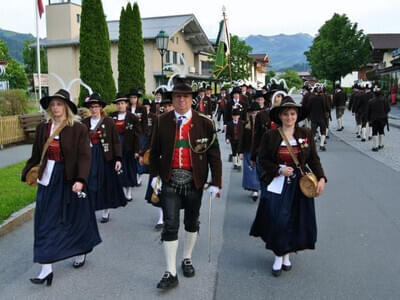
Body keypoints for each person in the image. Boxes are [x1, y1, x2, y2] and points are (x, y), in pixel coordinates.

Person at [22, 89, 101, 286]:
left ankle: (81, 249)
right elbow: (36, 154)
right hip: (48, 177)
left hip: (69, 178)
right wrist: (27, 172)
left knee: (76, 218)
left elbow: (85, 156)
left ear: (66, 107)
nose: (55, 108)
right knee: (44, 220)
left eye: (59, 104)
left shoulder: (78, 129)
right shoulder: (43, 128)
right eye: (53, 105)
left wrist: (81, 179)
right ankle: (46, 268)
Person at [150, 79, 222, 290]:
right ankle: (170, 271)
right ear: (172, 99)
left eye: (186, 97)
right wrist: (154, 175)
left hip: (195, 179)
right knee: (171, 224)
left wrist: (216, 182)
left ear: (192, 99)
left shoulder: (206, 123)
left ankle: (187, 257)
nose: (181, 101)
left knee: (192, 221)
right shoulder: (161, 120)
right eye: (177, 97)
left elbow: (214, 154)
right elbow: (154, 151)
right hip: (170, 179)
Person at [250, 96, 327, 277]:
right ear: (280, 116)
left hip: (300, 184)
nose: (289, 117)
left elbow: (313, 159)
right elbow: (263, 159)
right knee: (278, 219)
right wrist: (278, 169)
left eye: (292, 114)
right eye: (286, 114)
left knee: (296, 219)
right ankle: (278, 254)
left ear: (297, 115)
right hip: (278, 183)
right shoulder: (271, 136)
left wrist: (322, 178)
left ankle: (287, 254)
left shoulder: (306, 134)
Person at [82, 93, 126, 223]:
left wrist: (118, 158)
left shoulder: (108, 122)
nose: (94, 109)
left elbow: (116, 141)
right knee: (89, 183)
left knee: (104, 183)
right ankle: (90, 209)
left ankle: (105, 211)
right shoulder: (84, 123)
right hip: (89, 156)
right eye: (92, 107)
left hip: (104, 157)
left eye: (96, 106)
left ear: (101, 108)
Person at [109, 93, 141, 201]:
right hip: (115, 146)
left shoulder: (132, 117)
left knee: (128, 169)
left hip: (128, 147)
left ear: (126, 104)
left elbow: (137, 135)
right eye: (118, 104)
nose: (120, 106)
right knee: (117, 169)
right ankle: (119, 191)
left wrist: (137, 150)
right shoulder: (111, 116)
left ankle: (129, 191)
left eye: (122, 103)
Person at [239, 102, 261, 200]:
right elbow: (241, 138)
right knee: (249, 170)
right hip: (248, 150)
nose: (255, 114)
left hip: (259, 151)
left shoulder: (263, 124)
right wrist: (240, 152)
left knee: (258, 170)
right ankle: (254, 189)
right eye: (253, 112)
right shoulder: (245, 124)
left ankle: (256, 188)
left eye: (257, 112)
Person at [128, 88, 148, 186]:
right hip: (129, 135)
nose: (133, 99)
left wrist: (145, 134)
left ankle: (139, 175)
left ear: (137, 98)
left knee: (139, 154)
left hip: (139, 134)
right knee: (131, 155)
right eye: (131, 97)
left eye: (135, 97)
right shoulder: (127, 108)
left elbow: (145, 122)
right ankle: (132, 175)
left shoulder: (142, 108)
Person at [367, 85, 390, 151]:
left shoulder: (371, 101)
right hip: (383, 118)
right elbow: (388, 109)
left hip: (374, 118)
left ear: (374, 94)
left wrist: (369, 119)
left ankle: (375, 146)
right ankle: (381, 144)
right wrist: (384, 113)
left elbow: (369, 111)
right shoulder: (385, 100)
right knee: (381, 131)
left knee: (374, 132)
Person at [307, 86, 329, 151]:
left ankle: (313, 145)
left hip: (313, 118)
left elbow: (308, 108)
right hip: (322, 117)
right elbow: (327, 107)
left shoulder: (311, 98)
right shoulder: (323, 98)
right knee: (323, 131)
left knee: (313, 132)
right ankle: (322, 145)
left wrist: (309, 116)